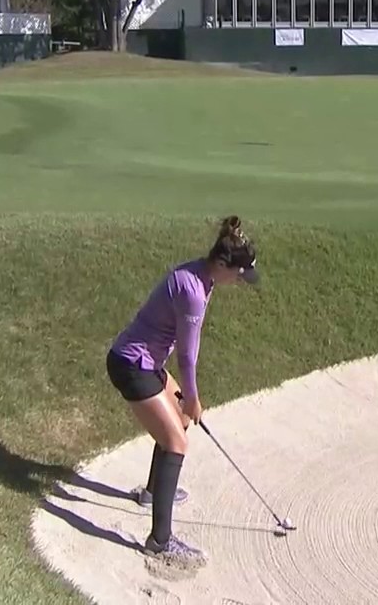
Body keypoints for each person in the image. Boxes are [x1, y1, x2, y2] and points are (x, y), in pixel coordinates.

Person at [105, 215, 260, 562]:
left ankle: (152, 492)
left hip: (146, 363)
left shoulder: (204, 279)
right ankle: (160, 541)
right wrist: (191, 397)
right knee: (176, 440)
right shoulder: (192, 290)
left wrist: (186, 405)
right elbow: (188, 357)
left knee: (180, 421)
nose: (240, 280)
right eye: (238, 273)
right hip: (132, 365)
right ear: (222, 264)